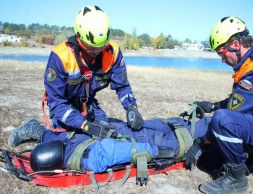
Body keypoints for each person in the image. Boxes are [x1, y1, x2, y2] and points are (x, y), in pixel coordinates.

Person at [8, 107, 211, 174]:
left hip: (125, 131)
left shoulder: (67, 145)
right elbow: (118, 151)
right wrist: (159, 152)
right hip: (139, 135)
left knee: (173, 125)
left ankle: (33, 128)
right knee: (184, 137)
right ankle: (222, 125)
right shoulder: (90, 157)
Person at [43, 5, 144, 134]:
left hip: (89, 104)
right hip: (65, 107)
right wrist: (85, 125)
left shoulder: (113, 53)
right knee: (69, 141)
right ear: (79, 37)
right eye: (91, 46)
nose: (96, 51)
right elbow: (56, 104)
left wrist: (131, 107)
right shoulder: (61, 57)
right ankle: (35, 130)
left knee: (105, 133)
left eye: (101, 46)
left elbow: (122, 86)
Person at [195, 16, 253, 194]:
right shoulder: (252, 61)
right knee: (211, 161)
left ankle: (236, 182)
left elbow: (231, 114)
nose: (222, 59)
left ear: (236, 45)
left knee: (223, 120)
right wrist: (213, 106)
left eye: (222, 52)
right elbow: (242, 101)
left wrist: (202, 142)